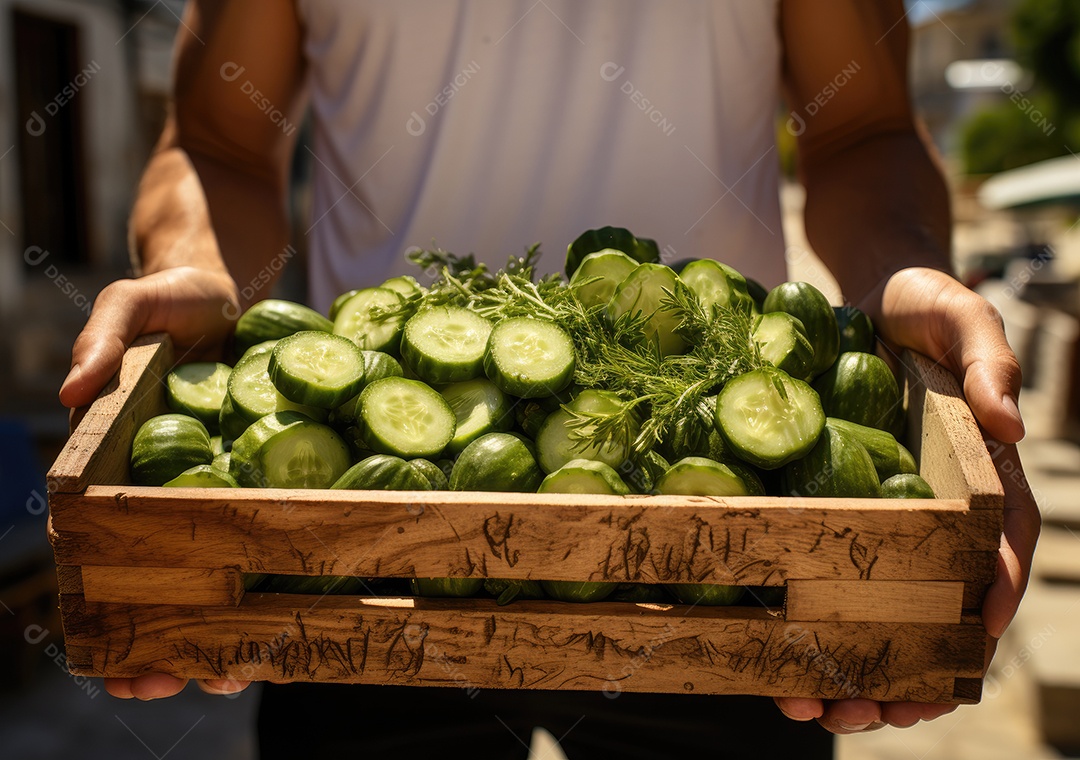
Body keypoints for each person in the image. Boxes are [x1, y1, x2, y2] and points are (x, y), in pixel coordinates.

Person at [59, 0, 1040, 756]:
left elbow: (860, 127)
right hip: (366, 535)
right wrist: (198, 269)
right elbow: (219, 137)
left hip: (723, 541)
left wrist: (903, 273)